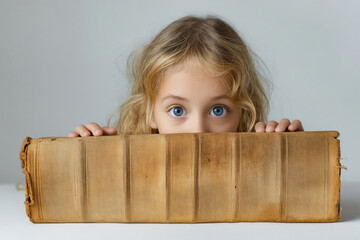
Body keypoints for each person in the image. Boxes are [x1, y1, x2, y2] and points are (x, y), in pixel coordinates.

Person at [68, 15, 304, 137]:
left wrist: (291, 151)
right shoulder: (129, 171)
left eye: (218, 110)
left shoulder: (257, 171)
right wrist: (89, 153)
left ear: (244, 113)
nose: (198, 131)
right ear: (150, 112)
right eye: (177, 110)